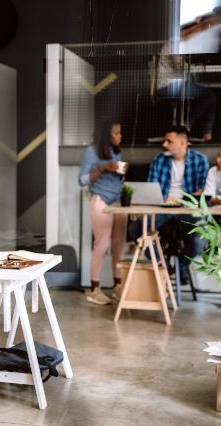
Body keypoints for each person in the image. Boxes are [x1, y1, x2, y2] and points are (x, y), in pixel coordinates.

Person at [142, 125, 209, 284]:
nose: (164, 144)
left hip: (188, 209)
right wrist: (164, 199)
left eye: (169, 141)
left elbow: (204, 192)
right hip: (163, 208)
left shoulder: (200, 160)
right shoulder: (159, 160)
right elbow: (151, 189)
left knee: (200, 237)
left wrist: (182, 200)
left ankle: (182, 264)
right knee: (139, 229)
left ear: (183, 143)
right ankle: (162, 266)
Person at [78, 120, 128, 305]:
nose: (120, 136)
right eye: (117, 133)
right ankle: (94, 289)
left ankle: (117, 286)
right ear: (107, 134)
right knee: (102, 244)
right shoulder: (91, 152)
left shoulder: (116, 151)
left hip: (117, 201)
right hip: (100, 200)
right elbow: (82, 180)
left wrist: (121, 174)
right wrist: (102, 168)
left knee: (118, 245)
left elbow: (115, 181)